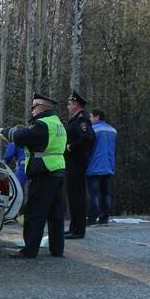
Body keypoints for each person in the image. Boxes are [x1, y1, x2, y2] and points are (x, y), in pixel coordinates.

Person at [0, 94, 66, 259]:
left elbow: (21, 136)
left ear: (41, 106)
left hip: (44, 172)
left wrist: (3, 131)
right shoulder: (58, 123)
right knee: (55, 214)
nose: (32, 111)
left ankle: (30, 250)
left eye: (33, 107)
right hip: (57, 171)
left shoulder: (42, 125)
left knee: (34, 212)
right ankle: (57, 249)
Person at [64, 91, 95, 239]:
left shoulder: (82, 119)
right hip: (72, 162)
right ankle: (73, 227)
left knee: (77, 195)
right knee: (73, 195)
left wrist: (71, 147)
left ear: (76, 104)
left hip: (77, 162)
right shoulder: (76, 119)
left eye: (70, 103)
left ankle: (78, 230)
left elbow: (88, 138)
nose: (68, 106)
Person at [86, 109, 117, 225]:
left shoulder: (92, 130)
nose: (90, 119)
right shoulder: (113, 130)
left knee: (94, 194)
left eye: (91, 117)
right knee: (106, 193)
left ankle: (92, 217)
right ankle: (104, 217)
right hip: (108, 166)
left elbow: (88, 148)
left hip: (94, 166)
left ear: (97, 117)